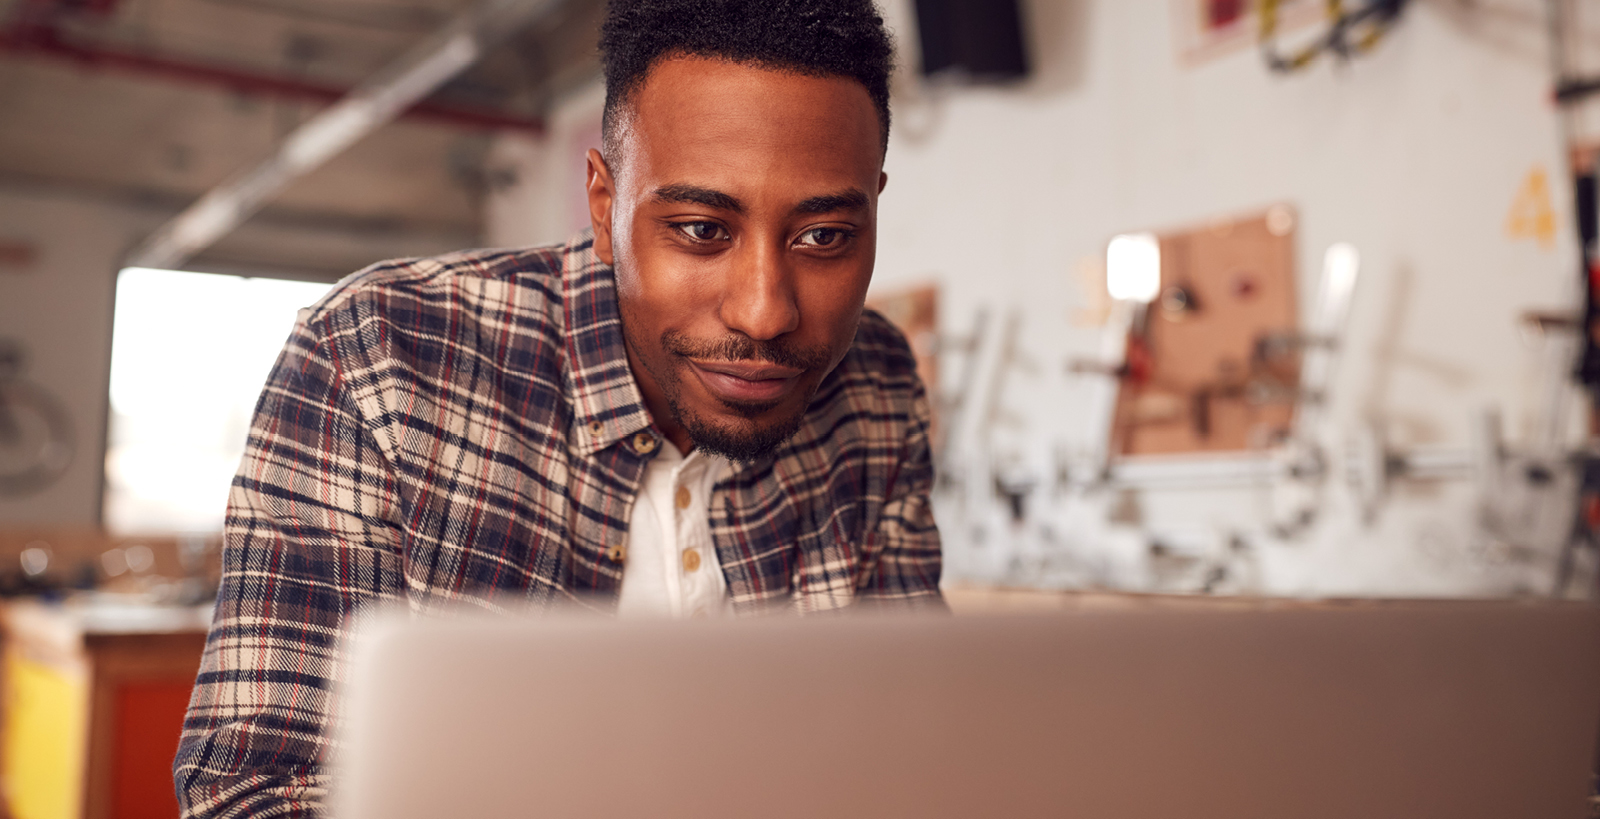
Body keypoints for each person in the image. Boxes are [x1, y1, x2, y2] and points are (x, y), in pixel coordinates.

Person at [174, 0, 942, 815]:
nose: (764, 312)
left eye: (822, 237)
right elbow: (254, 795)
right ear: (605, 199)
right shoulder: (378, 356)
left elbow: (916, 749)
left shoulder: (876, 382)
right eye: (700, 228)